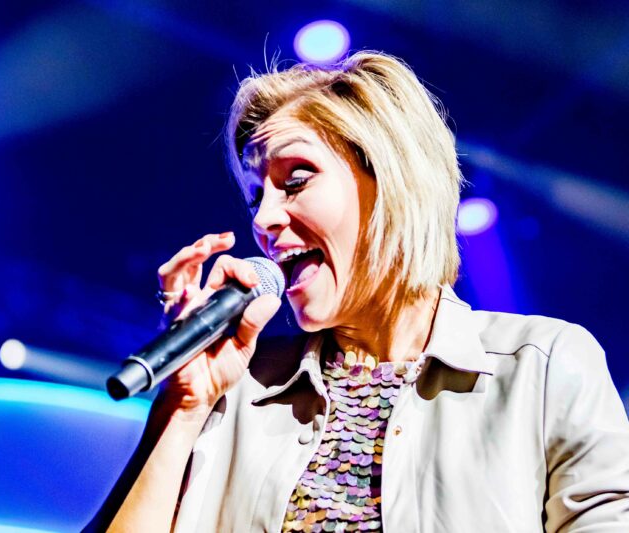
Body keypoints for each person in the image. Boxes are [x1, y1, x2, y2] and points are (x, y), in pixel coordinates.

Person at [87, 51, 629, 532]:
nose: (264, 219)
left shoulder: (541, 367)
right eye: (255, 197)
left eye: (296, 179)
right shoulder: (234, 395)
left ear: (392, 181)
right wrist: (183, 405)